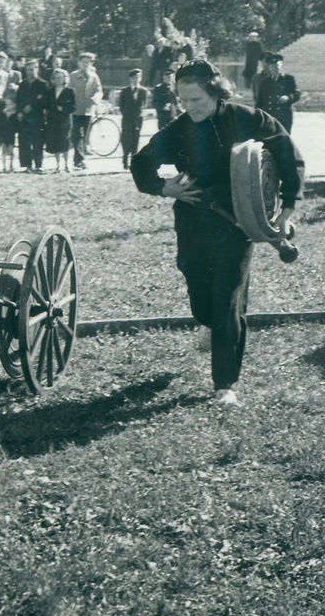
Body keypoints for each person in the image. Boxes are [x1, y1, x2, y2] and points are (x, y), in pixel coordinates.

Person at [130, 60, 305, 406]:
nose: (189, 107)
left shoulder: (246, 119)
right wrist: (164, 188)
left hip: (240, 220)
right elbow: (140, 163)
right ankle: (206, 322)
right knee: (198, 287)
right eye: (183, 100)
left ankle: (225, 384)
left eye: (196, 99)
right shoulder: (179, 129)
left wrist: (286, 209)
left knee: (228, 297)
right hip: (194, 218)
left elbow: (288, 156)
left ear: (214, 90)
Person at [69, 52, 103, 171]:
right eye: (83, 62)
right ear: (79, 63)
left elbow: (99, 90)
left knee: (85, 136)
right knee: (77, 135)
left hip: (88, 110)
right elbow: (69, 91)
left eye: (87, 62)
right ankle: (80, 160)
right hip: (75, 110)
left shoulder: (94, 76)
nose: (85, 64)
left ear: (91, 63)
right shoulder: (73, 75)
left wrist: (96, 98)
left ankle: (78, 160)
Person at [15, 59, 49, 173]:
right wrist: (20, 111)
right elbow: (18, 100)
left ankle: (38, 165)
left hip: (37, 117)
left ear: (37, 69)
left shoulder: (42, 84)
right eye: (28, 69)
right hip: (24, 117)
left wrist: (34, 104)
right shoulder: (23, 84)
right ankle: (27, 165)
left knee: (37, 142)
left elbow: (45, 101)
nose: (31, 71)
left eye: (33, 69)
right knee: (24, 142)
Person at [255, 52, 300, 133]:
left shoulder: (288, 79)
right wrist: (257, 114)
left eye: (277, 67)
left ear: (281, 66)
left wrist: (288, 97)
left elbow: (297, 94)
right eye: (272, 67)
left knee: (284, 139)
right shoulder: (265, 82)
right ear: (269, 67)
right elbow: (259, 100)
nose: (275, 69)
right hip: (269, 116)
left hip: (284, 116)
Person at [43, 68, 76, 172]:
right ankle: (58, 165)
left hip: (64, 120)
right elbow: (46, 105)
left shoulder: (70, 91)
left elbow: (73, 107)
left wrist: (63, 108)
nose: (58, 80)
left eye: (60, 77)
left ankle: (66, 165)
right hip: (52, 120)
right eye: (56, 78)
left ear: (65, 78)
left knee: (65, 143)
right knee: (55, 143)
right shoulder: (50, 91)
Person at [119, 68, 148, 170]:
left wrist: (139, 114)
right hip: (127, 118)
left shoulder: (143, 91)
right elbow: (121, 106)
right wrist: (126, 114)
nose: (136, 80)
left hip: (138, 119)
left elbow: (144, 105)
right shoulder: (125, 91)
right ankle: (125, 159)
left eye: (138, 78)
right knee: (127, 139)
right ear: (130, 79)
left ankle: (133, 160)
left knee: (136, 139)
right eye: (134, 78)